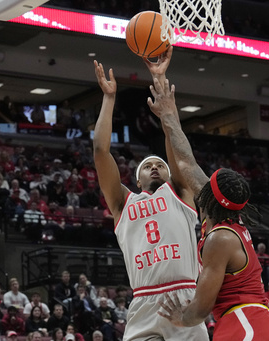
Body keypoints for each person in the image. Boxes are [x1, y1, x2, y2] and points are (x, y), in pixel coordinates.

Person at [93, 49, 208, 340]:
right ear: (137, 177)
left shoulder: (180, 193)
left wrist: (161, 81)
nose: (155, 167)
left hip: (184, 296)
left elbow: (177, 144)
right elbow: (99, 151)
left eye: (160, 165)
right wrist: (108, 99)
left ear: (170, 174)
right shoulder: (122, 203)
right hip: (144, 301)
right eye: (148, 166)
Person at [157, 168, 269, 340]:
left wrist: (181, 318)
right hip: (262, 323)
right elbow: (185, 163)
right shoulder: (231, 223)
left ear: (209, 198)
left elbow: (200, 311)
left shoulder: (219, 239)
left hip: (244, 325)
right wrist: (170, 138)